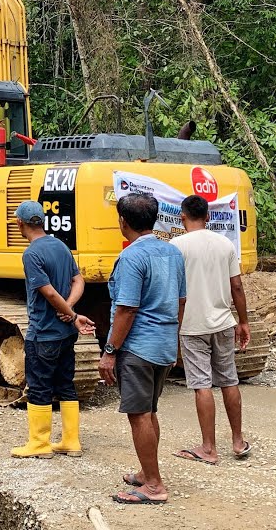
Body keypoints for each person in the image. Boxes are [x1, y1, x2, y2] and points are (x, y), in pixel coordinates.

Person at [103, 192, 185, 506]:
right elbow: (181, 301)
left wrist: (110, 351)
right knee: (149, 413)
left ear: (123, 222)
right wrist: (173, 339)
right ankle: (146, 471)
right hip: (163, 345)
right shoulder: (172, 253)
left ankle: (153, 486)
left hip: (138, 348)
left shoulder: (131, 257)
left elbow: (126, 310)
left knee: (138, 416)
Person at [170, 195, 252, 466]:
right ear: (207, 216)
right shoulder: (224, 243)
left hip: (193, 326)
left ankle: (208, 447)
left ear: (182, 217)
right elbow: (236, 286)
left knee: (202, 385)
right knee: (229, 379)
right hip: (223, 322)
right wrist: (243, 321)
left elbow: (175, 293)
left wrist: (174, 326)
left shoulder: (176, 246)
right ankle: (238, 441)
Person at [9, 200, 94, 459]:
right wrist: (71, 311)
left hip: (43, 332)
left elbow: (47, 292)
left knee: (39, 386)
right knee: (65, 384)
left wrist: (71, 312)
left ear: (21, 223)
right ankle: (71, 441)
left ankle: (39, 443)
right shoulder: (60, 246)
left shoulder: (31, 254)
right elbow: (78, 280)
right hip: (65, 334)